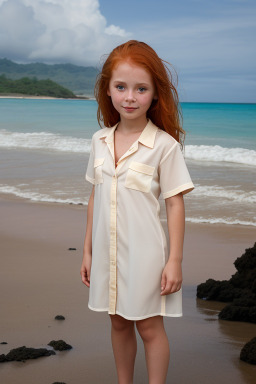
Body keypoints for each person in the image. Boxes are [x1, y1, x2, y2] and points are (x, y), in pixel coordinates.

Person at [80, 40, 194, 384]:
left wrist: (175, 260)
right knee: (116, 320)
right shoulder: (99, 140)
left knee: (148, 325)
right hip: (105, 251)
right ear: (108, 90)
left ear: (155, 94)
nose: (130, 97)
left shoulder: (164, 146)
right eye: (121, 87)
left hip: (145, 254)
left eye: (141, 88)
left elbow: (175, 203)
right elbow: (95, 195)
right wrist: (86, 250)